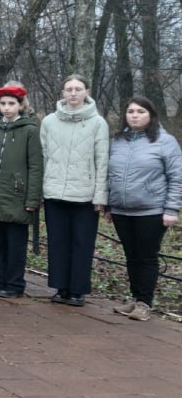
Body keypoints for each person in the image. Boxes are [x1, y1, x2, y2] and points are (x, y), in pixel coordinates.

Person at [106, 96, 182, 322]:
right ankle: (134, 297)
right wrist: (109, 204)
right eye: (131, 111)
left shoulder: (165, 142)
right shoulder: (118, 140)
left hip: (152, 210)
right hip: (121, 210)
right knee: (131, 256)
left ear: (151, 115)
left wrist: (172, 209)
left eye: (140, 111)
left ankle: (144, 303)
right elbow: (111, 175)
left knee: (146, 256)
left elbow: (176, 177)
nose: (135, 115)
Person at [40, 74, 108, 306]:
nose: (73, 93)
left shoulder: (98, 123)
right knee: (57, 243)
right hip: (54, 193)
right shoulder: (49, 121)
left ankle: (78, 290)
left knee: (82, 244)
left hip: (84, 195)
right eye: (68, 89)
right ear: (62, 93)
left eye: (78, 89)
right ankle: (61, 287)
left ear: (86, 92)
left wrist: (100, 196)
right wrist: (41, 190)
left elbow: (102, 161)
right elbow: (43, 155)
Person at [0, 85, 42, 299]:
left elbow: (35, 166)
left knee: (15, 244)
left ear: (21, 105)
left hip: (17, 196)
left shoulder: (30, 130)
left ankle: (13, 283)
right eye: (3, 104)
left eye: (11, 104)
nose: (6, 108)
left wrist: (32, 198)